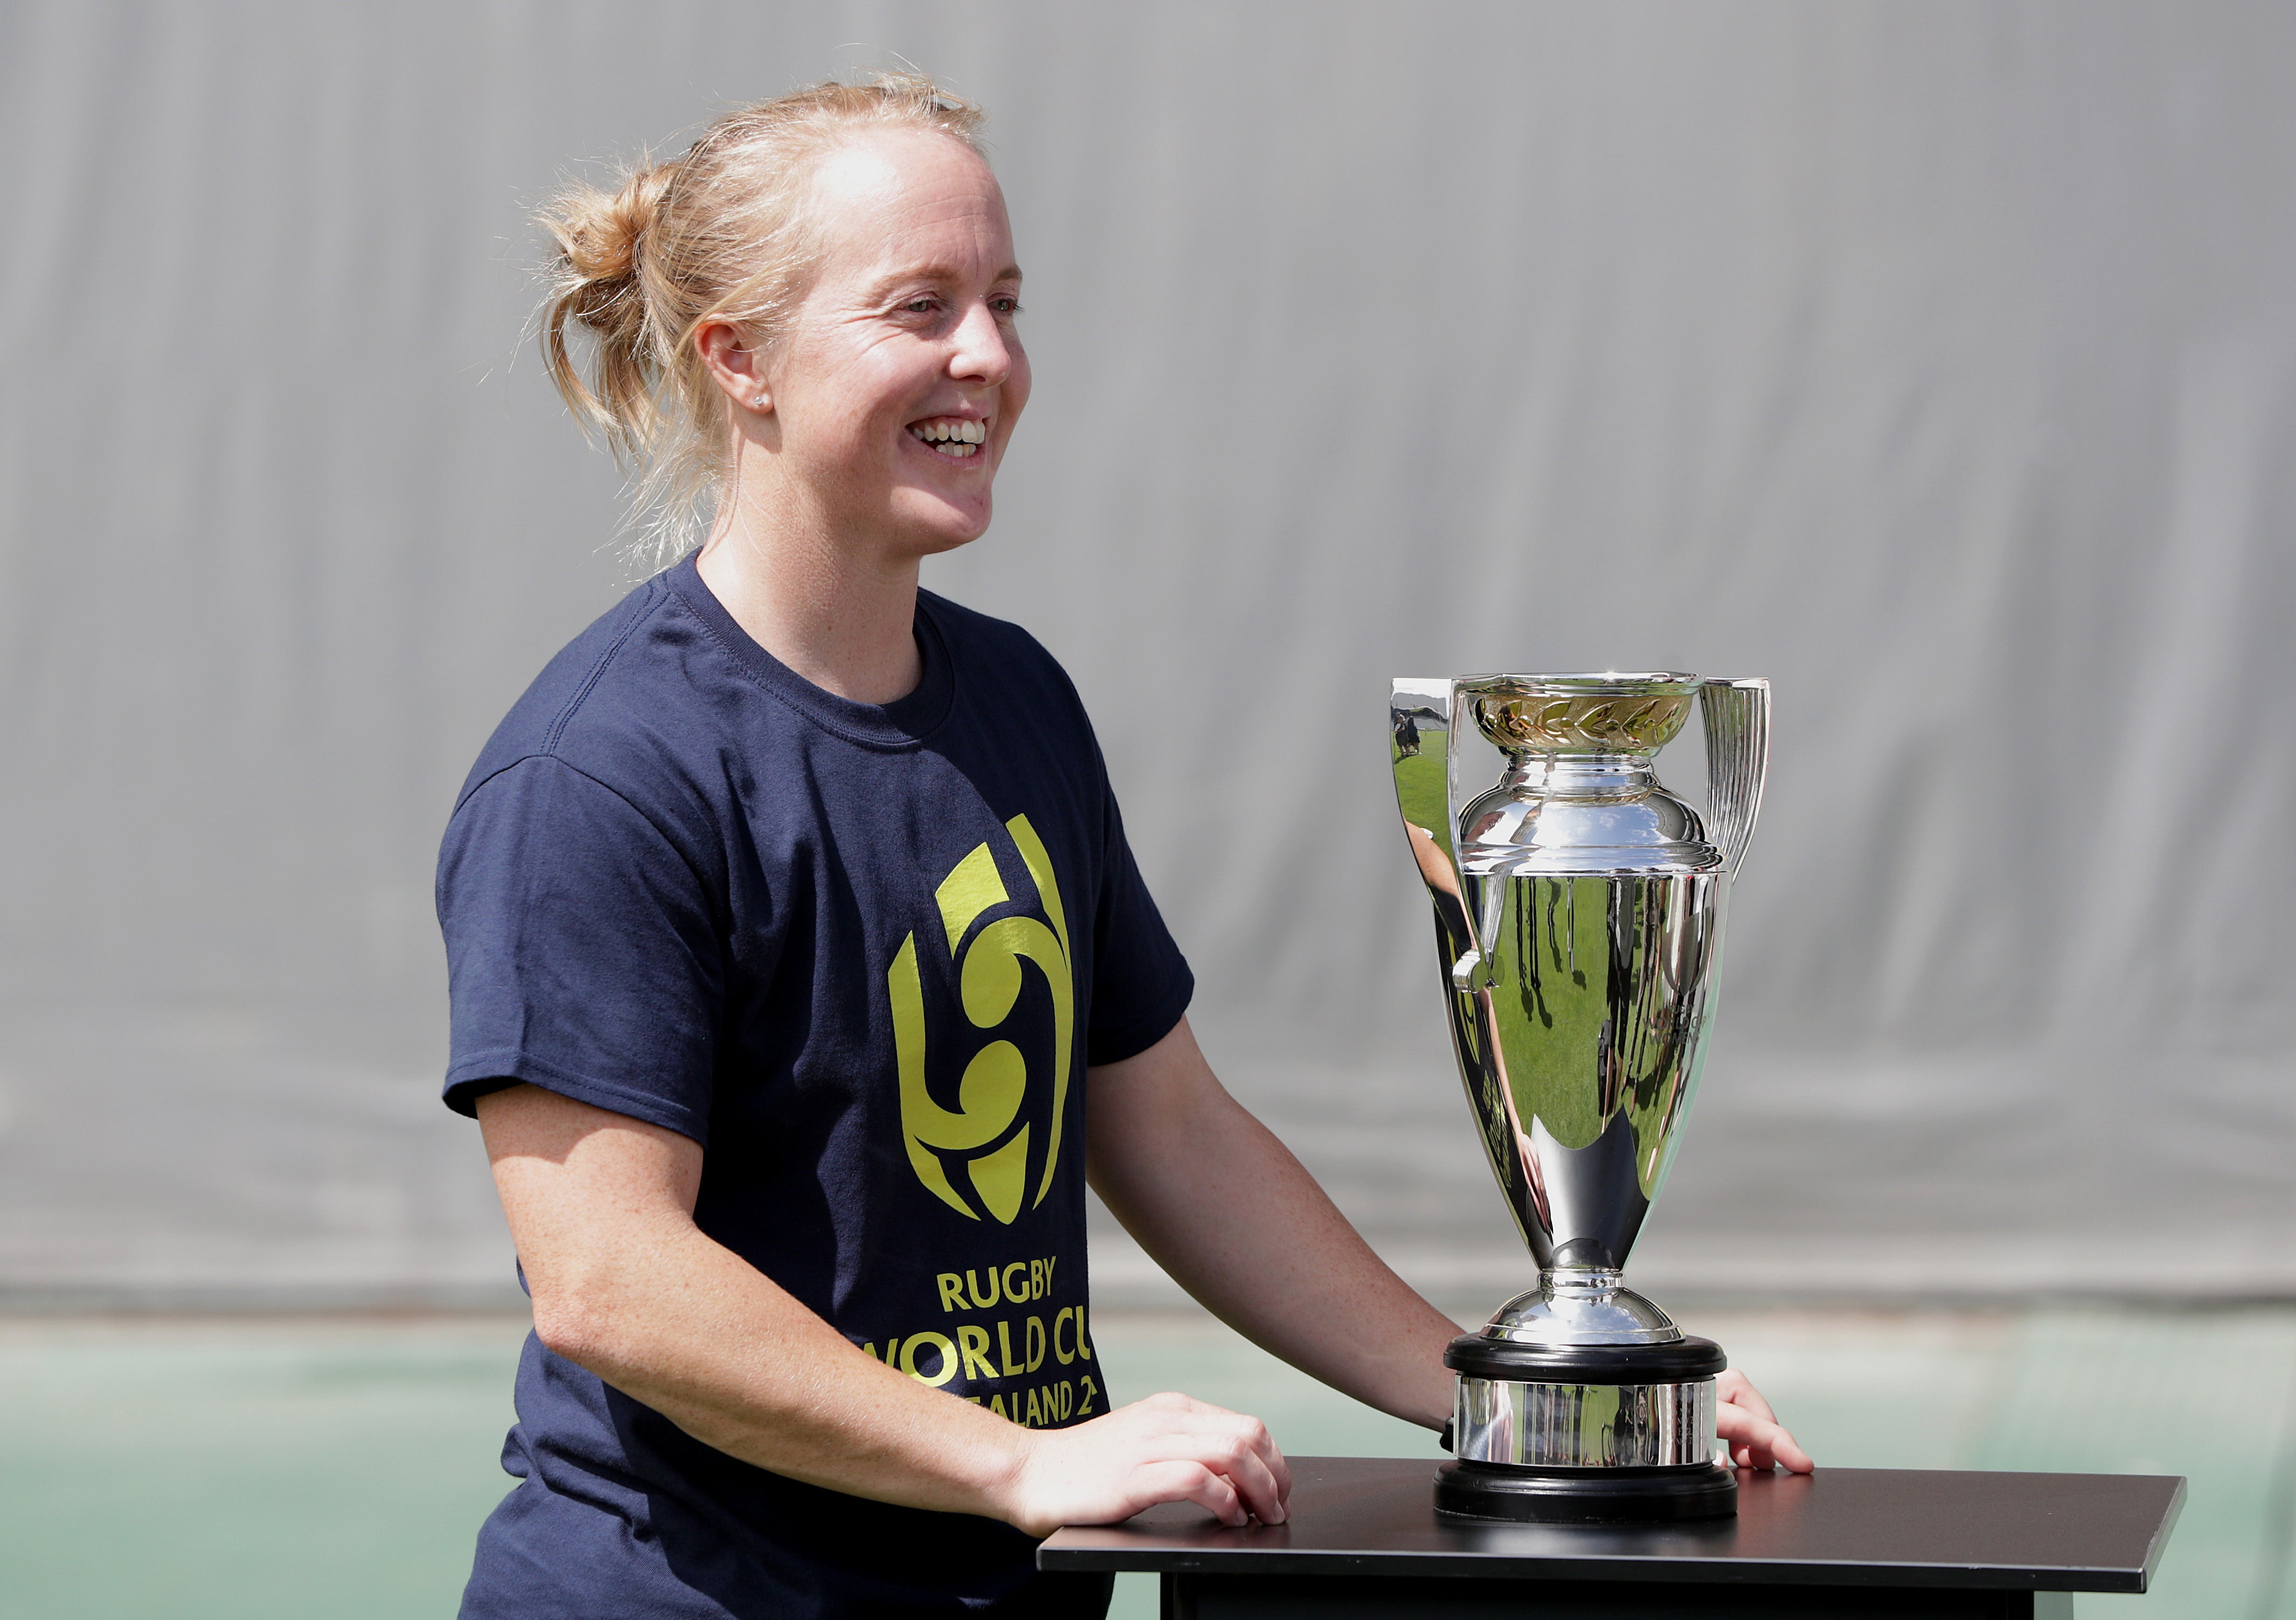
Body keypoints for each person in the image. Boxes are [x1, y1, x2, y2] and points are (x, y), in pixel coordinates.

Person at [436, 75, 1810, 1620]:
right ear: (738, 360)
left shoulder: (1014, 702)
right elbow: (612, 1283)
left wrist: (1519, 1406)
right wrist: (1013, 1464)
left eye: (1006, 301)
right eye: (919, 306)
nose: (990, 359)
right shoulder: (600, 775)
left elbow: (1167, 1130)